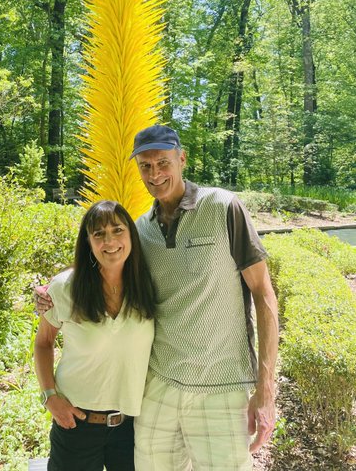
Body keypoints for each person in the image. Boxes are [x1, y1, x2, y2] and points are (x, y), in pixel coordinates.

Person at [36, 125, 279, 471]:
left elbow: (264, 293)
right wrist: (55, 289)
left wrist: (265, 389)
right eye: (146, 166)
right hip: (156, 389)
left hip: (220, 387)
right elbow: (107, 259)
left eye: (163, 162)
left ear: (182, 159)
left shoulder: (223, 207)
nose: (155, 173)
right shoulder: (141, 230)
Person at [33, 199, 156, 471]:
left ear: (132, 235)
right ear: (88, 242)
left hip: (133, 428)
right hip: (76, 424)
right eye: (98, 234)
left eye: (117, 230)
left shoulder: (148, 284)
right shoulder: (65, 288)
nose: (109, 241)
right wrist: (50, 397)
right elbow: (43, 343)